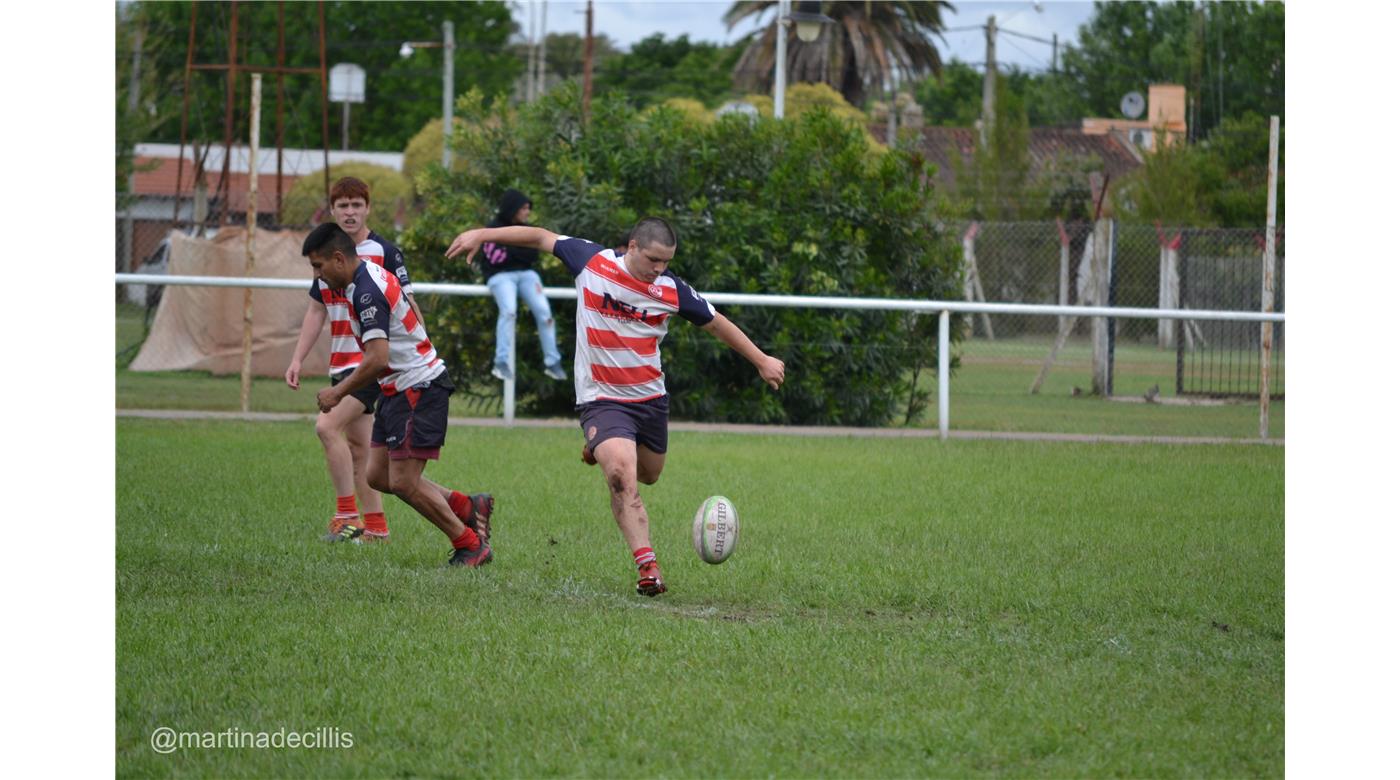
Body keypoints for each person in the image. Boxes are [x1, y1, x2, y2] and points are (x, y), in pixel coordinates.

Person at [446, 216, 785, 595]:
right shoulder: (592, 261)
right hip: (602, 397)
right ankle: (648, 568)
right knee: (622, 476)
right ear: (633, 246)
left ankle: (600, 445)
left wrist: (761, 360)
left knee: (650, 474)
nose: (659, 270)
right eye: (654, 260)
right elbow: (540, 237)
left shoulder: (671, 290)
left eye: (667, 263)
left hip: (650, 398)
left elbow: (716, 323)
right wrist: (481, 233)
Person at [303, 222, 496, 566]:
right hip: (396, 388)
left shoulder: (365, 291)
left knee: (404, 482)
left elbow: (378, 357)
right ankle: (468, 506)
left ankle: (470, 544)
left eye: (318, 267)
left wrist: (338, 392)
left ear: (337, 259)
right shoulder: (360, 279)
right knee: (378, 476)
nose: (318, 276)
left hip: (418, 387)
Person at [286, 176, 422, 543]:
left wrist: (419, 348)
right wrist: (297, 358)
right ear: (332, 210)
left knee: (326, 428)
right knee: (360, 448)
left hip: (371, 365)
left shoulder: (385, 252)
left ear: (367, 208)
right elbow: (316, 312)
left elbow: (408, 305)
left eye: (356, 205)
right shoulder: (326, 253)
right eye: (342, 206)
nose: (349, 212)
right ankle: (376, 528)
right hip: (340, 364)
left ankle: (346, 516)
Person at [476, 189, 568, 382]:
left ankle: (553, 362)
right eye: (524, 208)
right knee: (509, 311)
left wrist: (511, 251)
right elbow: (496, 258)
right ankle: (500, 362)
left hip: (526, 274)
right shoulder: (492, 228)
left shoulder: (527, 229)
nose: (527, 212)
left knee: (545, 313)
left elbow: (532, 256)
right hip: (500, 277)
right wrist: (520, 251)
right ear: (513, 208)